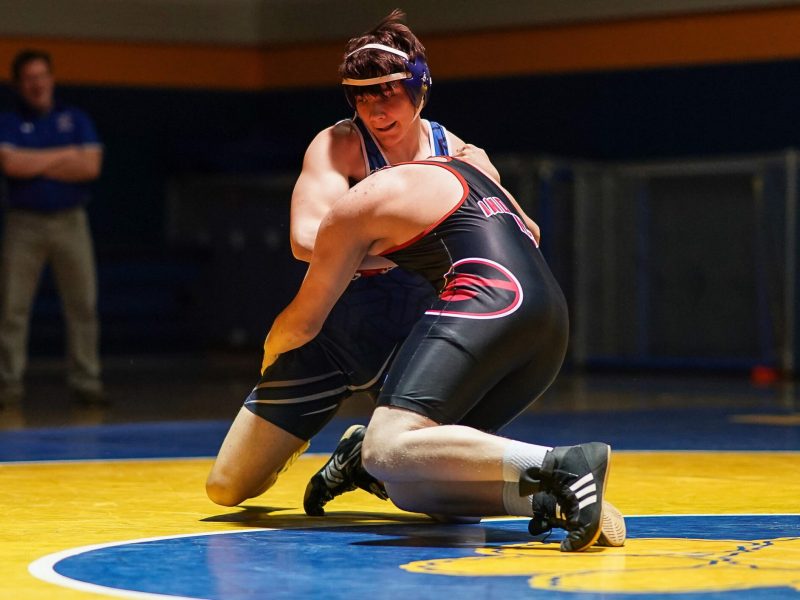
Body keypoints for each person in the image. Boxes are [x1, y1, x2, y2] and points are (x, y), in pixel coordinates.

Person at [206, 10, 523, 506]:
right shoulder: (341, 144)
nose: (375, 111)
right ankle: (356, 451)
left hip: (416, 337)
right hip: (334, 330)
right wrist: (410, 246)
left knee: (449, 505)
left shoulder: (459, 154)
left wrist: (367, 243)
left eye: (388, 93)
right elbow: (304, 239)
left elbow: (525, 232)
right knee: (226, 488)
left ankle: (361, 456)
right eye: (362, 97)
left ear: (420, 89)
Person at [260, 154, 612, 552]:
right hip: (550, 319)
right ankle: (548, 498)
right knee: (419, 480)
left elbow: (303, 322)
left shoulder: (353, 209)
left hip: (492, 300)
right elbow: (532, 230)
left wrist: (269, 355)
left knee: (384, 447)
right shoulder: (462, 167)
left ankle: (560, 465)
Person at [0, 49, 104, 405]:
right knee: (12, 308)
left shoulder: (75, 118)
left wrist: (35, 162)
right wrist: (65, 156)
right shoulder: (9, 122)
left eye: (42, 76)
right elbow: (11, 165)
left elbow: (90, 167)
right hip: (24, 223)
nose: (37, 84)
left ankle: (86, 382)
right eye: (29, 78)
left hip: (71, 221)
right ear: (19, 84)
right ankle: (8, 386)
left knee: (83, 304)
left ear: (52, 79)